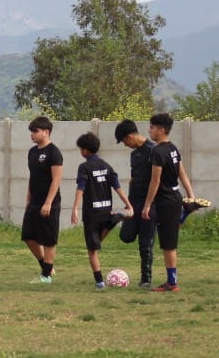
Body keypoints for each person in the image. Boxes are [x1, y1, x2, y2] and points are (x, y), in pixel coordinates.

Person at [69, 132, 134, 290]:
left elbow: (81, 188)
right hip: (106, 211)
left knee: (92, 250)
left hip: (91, 214)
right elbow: (117, 187)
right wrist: (129, 205)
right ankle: (114, 219)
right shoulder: (106, 166)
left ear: (85, 150)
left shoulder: (84, 167)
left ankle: (99, 283)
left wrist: (75, 209)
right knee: (96, 243)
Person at [141, 113, 196, 292]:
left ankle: (172, 283)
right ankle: (184, 212)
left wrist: (147, 204)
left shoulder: (157, 151)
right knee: (169, 238)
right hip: (176, 198)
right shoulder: (173, 148)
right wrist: (191, 195)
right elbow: (182, 174)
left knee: (168, 244)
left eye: (152, 127)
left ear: (161, 130)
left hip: (165, 201)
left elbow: (155, 181)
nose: (149, 130)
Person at [113, 119, 158, 289]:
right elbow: (133, 179)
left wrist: (150, 204)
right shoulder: (134, 155)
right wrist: (128, 203)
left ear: (130, 136)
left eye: (124, 141)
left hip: (150, 203)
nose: (125, 145)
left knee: (145, 244)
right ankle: (122, 218)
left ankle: (146, 279)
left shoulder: (153, 150)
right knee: (126, 236)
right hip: (135, 202)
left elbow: (157, 179)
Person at [22, 115, 63, 284]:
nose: (32, 134)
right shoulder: (32, 152)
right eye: (31, 131)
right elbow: (33, 177)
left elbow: (56, 180)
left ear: (46, 132)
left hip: (50, 203)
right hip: (34, 201)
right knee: (28, 236)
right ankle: (46, 266)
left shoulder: (54, 153)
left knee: (48, 239)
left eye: (35, 131)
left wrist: (48, 202)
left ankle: (46, 277)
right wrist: (28, 197)